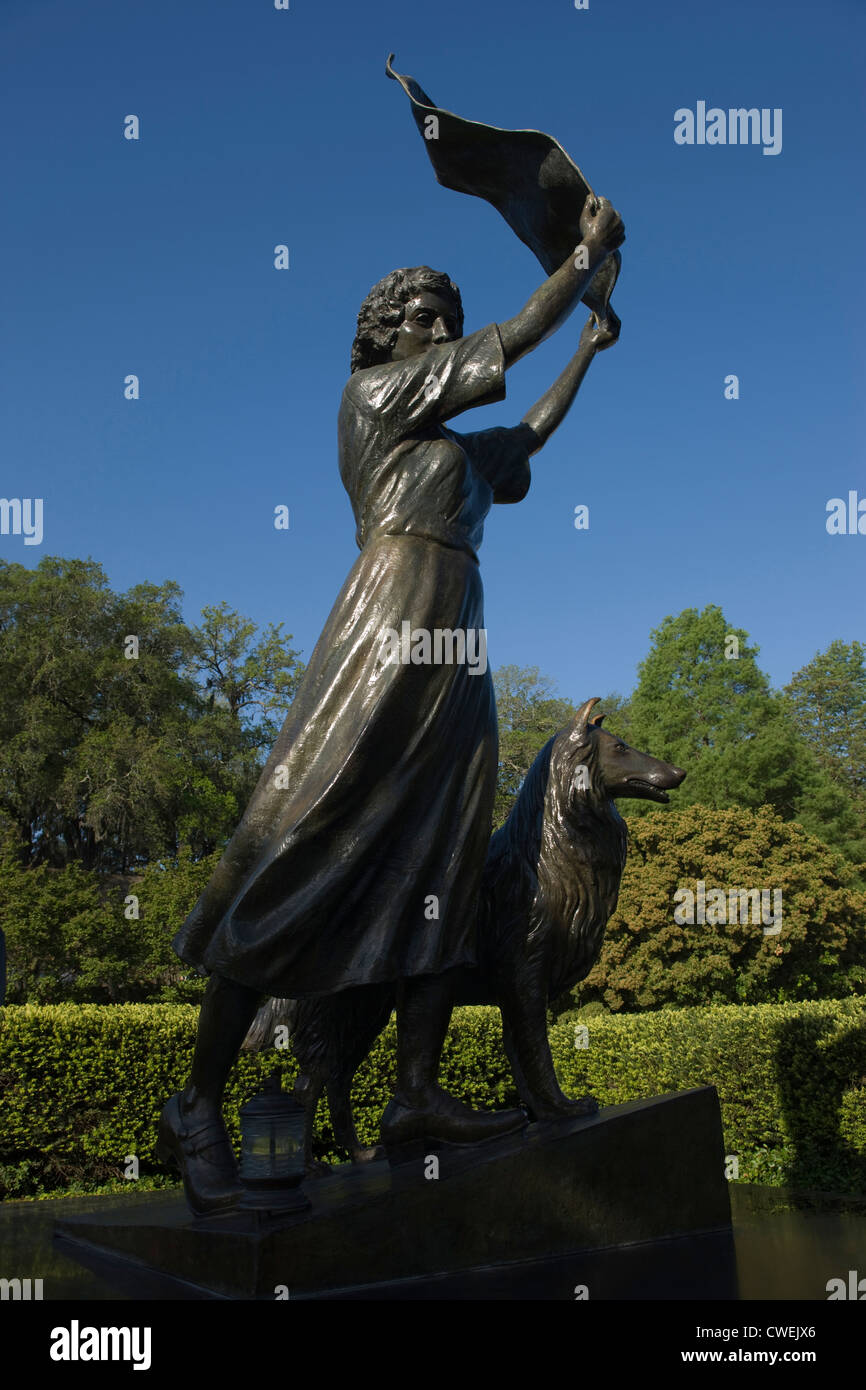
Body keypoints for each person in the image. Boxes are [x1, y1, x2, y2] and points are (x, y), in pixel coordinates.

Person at [158, 192, 625, 1215]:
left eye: (442, 313)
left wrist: (589, 345)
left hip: (456, 642)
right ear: (384, 335)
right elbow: (510, 337)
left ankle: (413, 1091)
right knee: (296, 839)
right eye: (421, 313)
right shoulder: (370, 397)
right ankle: (194, 1099)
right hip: (386, 620)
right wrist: (581, 262)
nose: (439, 325)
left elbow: (528, 432)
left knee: (447, 859)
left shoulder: (455, 456)